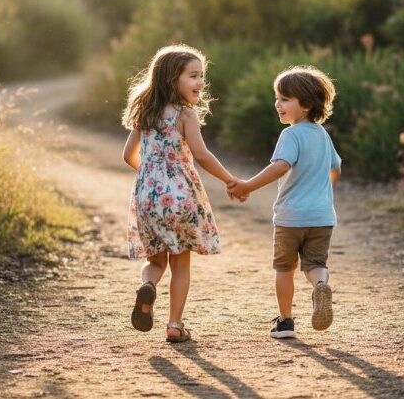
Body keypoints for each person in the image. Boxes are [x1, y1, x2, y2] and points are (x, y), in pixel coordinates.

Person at [122, 44, 240, 343]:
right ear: (172, 79)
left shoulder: (145, 112)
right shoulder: (185, 115)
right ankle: (175, 324)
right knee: (180, 263)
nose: (201, 82)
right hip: (180, 197)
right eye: (193, 76)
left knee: (156, 262)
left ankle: (148, 285)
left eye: (202, 76)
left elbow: (128, 155)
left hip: (147, 195)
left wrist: (152, 173)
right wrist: (229, 179)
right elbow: (202, 155)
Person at [227, 66, 341, 339]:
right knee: (315, 265)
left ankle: (286, 322)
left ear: (307, 105)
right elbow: (336, 166)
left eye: (285, 99)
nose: (278, 104)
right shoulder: (323, 135)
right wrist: (323, 193)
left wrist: (248, 185)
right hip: (322, 216)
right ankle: (320, 286)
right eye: (277, 97)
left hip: (291, 217)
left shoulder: (291, 135)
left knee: (284, 269)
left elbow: (279, 166)